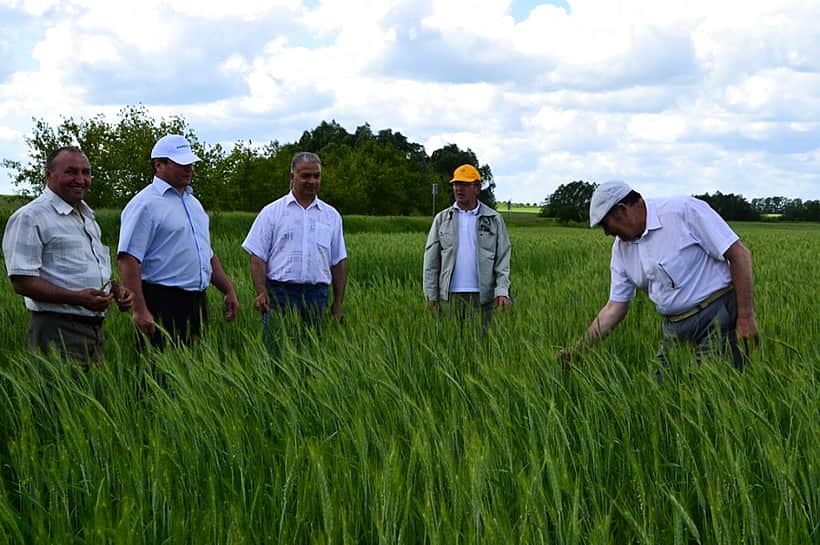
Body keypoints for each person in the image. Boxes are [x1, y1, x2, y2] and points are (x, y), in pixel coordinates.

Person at [562, 180, 759, 369]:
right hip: (674, 328)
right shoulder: (621, 249)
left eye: (605, 224)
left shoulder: (682, 211)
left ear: (622, 210)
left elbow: (739, 255)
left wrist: (746, 317)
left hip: (717, 316)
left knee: (710, 391)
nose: (606, 233)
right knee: (661, 389)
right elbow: (615, 307)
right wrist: (578, 349)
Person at [2, 146, 134, 363]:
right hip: (56, 330)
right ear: (48, 175)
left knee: (89, 396)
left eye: (86, 172)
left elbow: (80, 269)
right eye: (71, 172)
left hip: (94, 330)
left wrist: (115, 289)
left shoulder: (86, 216)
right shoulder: (31, 217)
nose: (81, 179)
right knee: (56, 396)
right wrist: (78, 299)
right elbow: (22, 282)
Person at [117, 134, 239, 350]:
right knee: (156, 373)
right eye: (181, 163)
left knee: (190, 372)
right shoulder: (145, 204)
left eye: (191, 163)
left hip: (196, 302)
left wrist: (228, 289)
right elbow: (128, 259)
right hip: (161, 302)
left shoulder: (194, 204)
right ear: (158, 165)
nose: (189, 168)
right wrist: (140, 309)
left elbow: (206, 253)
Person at [241, 152, 347, 343]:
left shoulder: (331, 216)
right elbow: (257, 257)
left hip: (317, 295)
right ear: (292, 177)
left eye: (316, 176)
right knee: (276, 351)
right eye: (305, 176)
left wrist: (338, 303)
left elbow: (338, 261)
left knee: (313, 353)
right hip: (280, 294)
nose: (312, 181)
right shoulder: (272, 212)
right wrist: (261, 291)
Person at [423, 164, 511, 327]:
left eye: (464, 184)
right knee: (452, 345)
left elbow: (503, 260)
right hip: (449, 297)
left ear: (477, 188)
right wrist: (431, 296)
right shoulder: (442, 219)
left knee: (483, 345)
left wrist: (502, 291)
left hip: (484, 297)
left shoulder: (494, 219)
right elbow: (431, 262)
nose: (459, 189)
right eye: (456, 184)